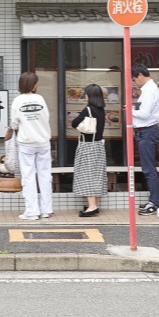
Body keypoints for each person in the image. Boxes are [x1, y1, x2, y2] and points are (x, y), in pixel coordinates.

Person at [9, 72, 53, 220]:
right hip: (43, 141)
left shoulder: (18, 101)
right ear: (33, 86)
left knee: (28, 177)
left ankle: (32, 211)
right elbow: (46, 117)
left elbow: (14, 123)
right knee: (45, 175)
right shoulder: (40, 99)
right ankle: (46, 210)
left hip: (26, 142)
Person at [71, 84, 107, 217]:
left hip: (87, 146)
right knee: (96, 175)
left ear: (89, 96)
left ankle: (92, 207)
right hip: (98, 146)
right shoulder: (101, 110)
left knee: (88, 175)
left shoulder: (88, 110)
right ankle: (95, 204)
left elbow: (74, 123)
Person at [132, 65, 159, 216]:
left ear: (140, 75)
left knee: (149, 168)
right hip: (145, 132)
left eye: (134, 79)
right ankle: (154, 200)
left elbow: (144, 114)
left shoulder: (149, 90)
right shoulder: (148, 89)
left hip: (147, 131)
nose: (134, 81)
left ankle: (155, 202)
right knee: (148, 167)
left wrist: (129, 110)